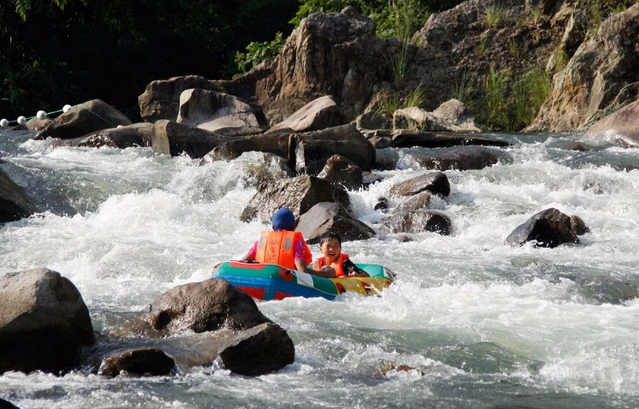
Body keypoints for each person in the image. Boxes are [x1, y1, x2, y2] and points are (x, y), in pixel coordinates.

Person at [240, 207, 336, 277]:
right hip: (286, 282)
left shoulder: (261, 241)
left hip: (261, 279)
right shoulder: (295, 242)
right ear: (293, 226)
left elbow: (243, 262)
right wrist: (323, 273)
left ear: (273, 226)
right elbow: (302, 271)